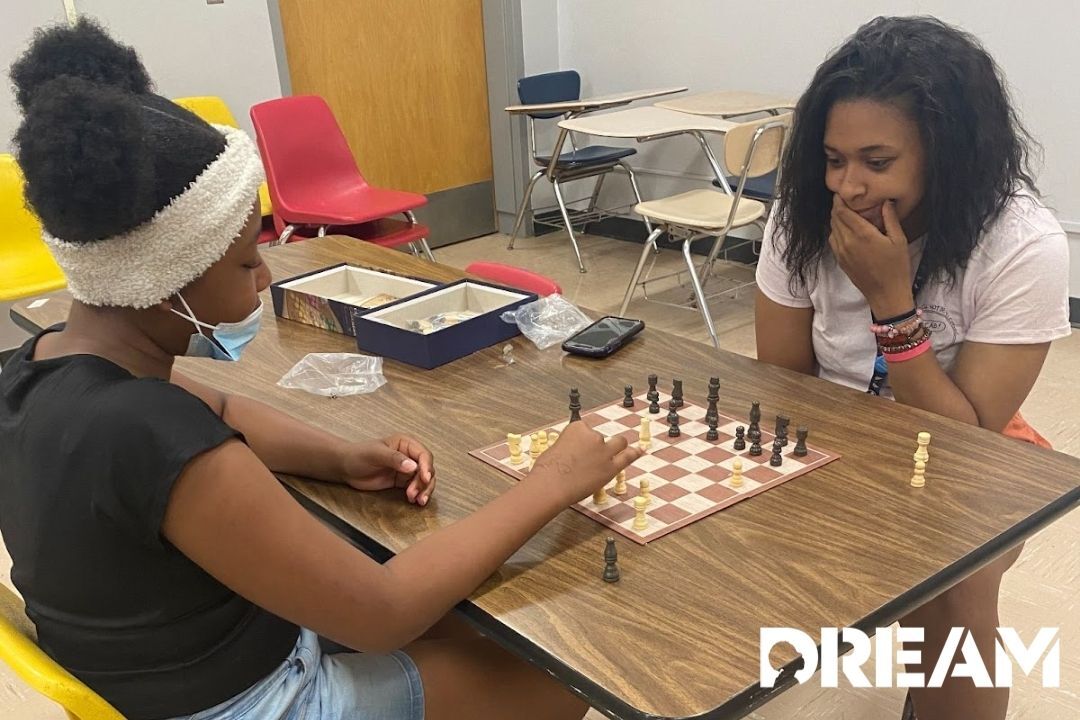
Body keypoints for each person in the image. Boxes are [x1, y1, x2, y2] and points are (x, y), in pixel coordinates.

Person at [0, 20, 642, 720]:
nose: (264, 272)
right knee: (563, 674)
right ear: (168, 276)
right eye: (248, 259)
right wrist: (554, 481)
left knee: (470, 611)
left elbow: (217, 410)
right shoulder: (152, 435)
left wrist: (339, 458)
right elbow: (383, 612)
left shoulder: (42, 369)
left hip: (157, 671)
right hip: (260, 702)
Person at [754, 15, 1070, 720]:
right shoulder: (800, 217)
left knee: (957, 591)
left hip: (968, 445)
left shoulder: (1023, 244)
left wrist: (891, 304)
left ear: (945, 155)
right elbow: (779, 385)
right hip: (833, 427)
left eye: (877, 161)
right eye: (834, 159)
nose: (849, 188)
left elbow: (967, 435)